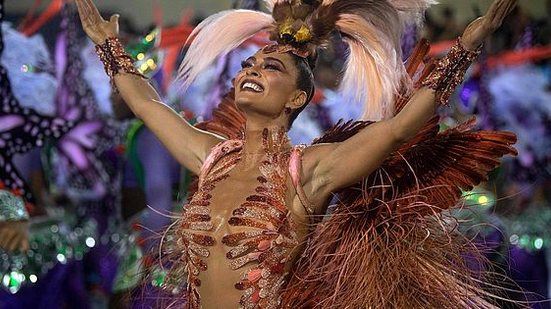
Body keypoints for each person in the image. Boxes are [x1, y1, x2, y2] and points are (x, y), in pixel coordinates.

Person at [74, 0, 518, 307]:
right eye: (250, 64)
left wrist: (465, 48)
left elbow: (400, 128)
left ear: (295, 100)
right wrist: (109, 47)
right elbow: (148, 105)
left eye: (271, 68)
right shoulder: (211, 157)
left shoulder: (308, 170)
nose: (252, 70)